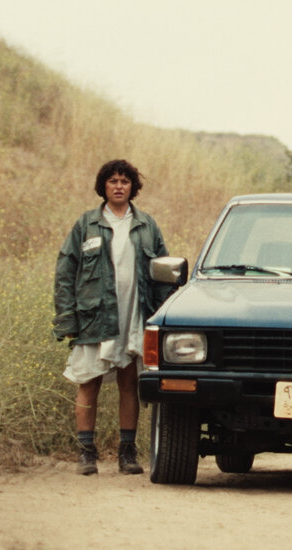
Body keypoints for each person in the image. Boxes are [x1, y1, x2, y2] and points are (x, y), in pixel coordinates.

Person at [52, 159, 172, 475]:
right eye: (113, 181)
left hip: (135, 314)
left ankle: (127, 454)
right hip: (95, 317)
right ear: (103, 186)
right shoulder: (86, 224)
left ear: (133, 187)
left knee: (129, 383)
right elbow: (65, 270)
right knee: (88, 381)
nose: (119, 186)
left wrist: (162, 318)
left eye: (124, 181)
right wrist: (67, 317)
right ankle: (86, 453)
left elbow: (162, 274)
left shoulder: (147, 225)